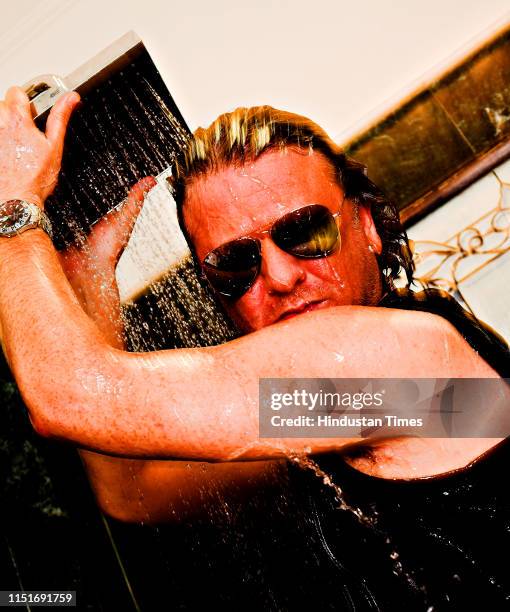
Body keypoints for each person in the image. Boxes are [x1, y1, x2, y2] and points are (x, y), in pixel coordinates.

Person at [0, 87, 507, 526]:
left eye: (305, 230)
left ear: (368, 226)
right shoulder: (330, 413)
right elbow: (131, 491)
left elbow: (71, 398)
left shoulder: (401, 361)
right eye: (235, 263)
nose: (281, 277)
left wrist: (12, 207)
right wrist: (91, 280)